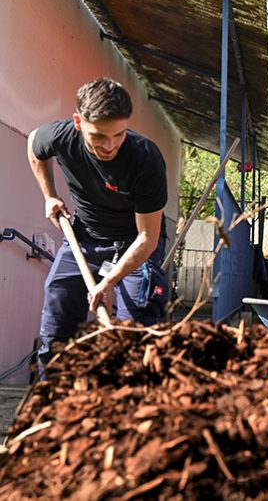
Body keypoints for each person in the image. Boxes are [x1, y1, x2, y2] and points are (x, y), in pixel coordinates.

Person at [28, 77, 169, 377]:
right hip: (83, 238)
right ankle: (53, 408)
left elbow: (148, 238)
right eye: (99, 135)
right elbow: (33, 144)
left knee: (137, 333)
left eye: (119, 134)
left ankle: (133, 413)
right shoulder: (62, 136)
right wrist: (49, 196)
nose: (110, 145)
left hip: (133, 245)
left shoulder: (145, 159)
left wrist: (109, 281)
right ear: (79, 122)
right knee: (56, 326)